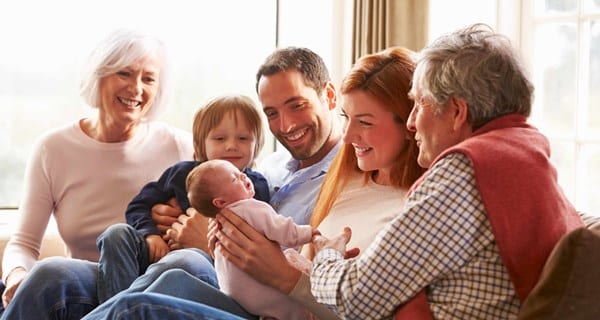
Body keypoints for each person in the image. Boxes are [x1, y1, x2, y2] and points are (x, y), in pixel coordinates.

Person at [81, 46, 426, 319]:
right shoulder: (274, 169)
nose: (286, 124)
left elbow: (319, 273)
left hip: (267, 297)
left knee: (168, 278)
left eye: (297, 105)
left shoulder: (376, 190)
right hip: (243, 281)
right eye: (272, 112)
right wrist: (166, 219)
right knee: (55, 278)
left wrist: (209, 246)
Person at [309, 23, 584, 319]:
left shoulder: (464, 172)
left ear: (456, 112)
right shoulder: (525, 150)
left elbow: (357, 298)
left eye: (418, 104)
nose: (412, 122)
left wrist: (327, 256)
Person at [0, 28, 195, 318]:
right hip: (82, 285)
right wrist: (17, 274)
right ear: (99, 74)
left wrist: (184, 222)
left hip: (153, 285)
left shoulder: (179, 146)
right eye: (125, 74)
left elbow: (214, 220)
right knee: (50, 274)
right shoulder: (52, 149)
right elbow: (24, 244)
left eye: (148, 79)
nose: (136, 88)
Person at [95, 95, 270, 303]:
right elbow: (139, 205)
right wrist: (150, 235)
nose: (231, 146)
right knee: (115, 234)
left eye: (243, 138)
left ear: (257, 144)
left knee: (184, 261)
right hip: (155, 251)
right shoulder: (182, 174)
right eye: (220, 139)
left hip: (203, 265)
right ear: (200, 143)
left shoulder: (255, 186)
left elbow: (259, 235)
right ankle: (114, 306)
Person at [187, 159, 318, 319]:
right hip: (263, 295)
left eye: (241, 173)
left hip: (232, 296)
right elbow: (285, 232)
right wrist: (309, 233)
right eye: (235, 178)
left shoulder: (217, 221)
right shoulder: (252, 208)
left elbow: (220, 257)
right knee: (293, 307)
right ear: (220, 202)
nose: (243, 177)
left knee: (178, 267)